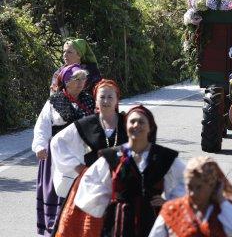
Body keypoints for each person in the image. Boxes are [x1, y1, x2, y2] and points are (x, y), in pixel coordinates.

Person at [75, 105, 186, 236]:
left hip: (153, 221)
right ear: (125, 126)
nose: (136, 125)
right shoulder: (113, 156)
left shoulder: (163, 157)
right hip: (119, 221)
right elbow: (90, 182)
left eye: (141, 122)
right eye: (132, 121)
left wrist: (170, 203)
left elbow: (187, 183)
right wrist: (106, 204)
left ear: (150, 127)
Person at [51, 79, 128, 237]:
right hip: (91, 184)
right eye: (102, 97)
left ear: (117, 99)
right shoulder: (87, 124)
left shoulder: (127, 123)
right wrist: (77, 167)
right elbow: (57, 143)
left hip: (123, 184)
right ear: (96, 100)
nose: (106, 101)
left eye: (110, 97)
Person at [32, 64, 96, 236]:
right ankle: (54, 228)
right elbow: (42, 127)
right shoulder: (55, 101)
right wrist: (39, 146)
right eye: (77, 79)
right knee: (58, 191)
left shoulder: (89, 100)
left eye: (83, 79)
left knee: (79, 192)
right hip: (56, 156)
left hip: (82, 154)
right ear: (66, 81)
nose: (81, 82)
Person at [149, 156, 232, 236]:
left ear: (212, 185)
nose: (192, 193)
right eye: (189, 187)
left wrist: (220, 198)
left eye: (199, 187)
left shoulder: (222, 212)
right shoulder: (171, 209)